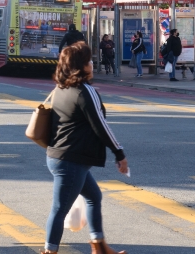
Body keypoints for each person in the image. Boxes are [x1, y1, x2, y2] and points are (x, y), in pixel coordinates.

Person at [42, 42, 128, 254]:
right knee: (59, 209)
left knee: (93, 196)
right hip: (71, 160)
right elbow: (101, 125)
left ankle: (99, 246)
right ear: (81, 66)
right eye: (88, 61)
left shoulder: (61, 88)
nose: (92, 63)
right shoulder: (84, 91)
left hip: (60, 156)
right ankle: (49, 251)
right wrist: (119, 153)